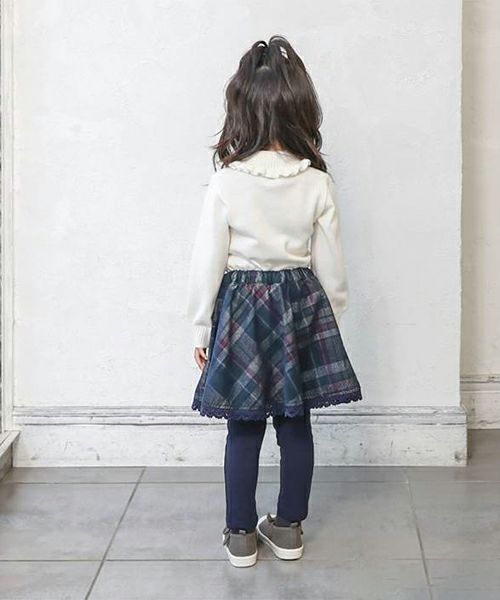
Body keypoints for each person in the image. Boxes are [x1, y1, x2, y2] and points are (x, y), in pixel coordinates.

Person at [186, 35, 362, 568]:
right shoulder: (316, 182)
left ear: (241, 109)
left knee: (243, 425)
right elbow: (331, 266)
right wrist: (329, 318)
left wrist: (201, 327)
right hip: (299, 304)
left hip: (241, 307)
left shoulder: (226, 182)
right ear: (299, 109)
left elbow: (207, 261)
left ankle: (240, 533)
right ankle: (288, 528)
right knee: (295, 421)